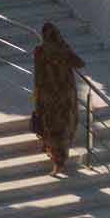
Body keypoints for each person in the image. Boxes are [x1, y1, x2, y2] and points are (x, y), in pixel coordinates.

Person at [31, 21, 85, 175]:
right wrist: (65, 47)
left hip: (48, 95)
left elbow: (38, 75)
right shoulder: (64, 50)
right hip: (65, 95)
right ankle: (58, 160)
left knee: (50, 125)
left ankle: (55, 158)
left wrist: (37, 95)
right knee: (62, 127)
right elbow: (80, 63)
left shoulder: (40, 51)